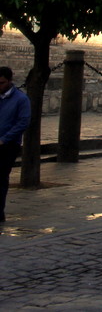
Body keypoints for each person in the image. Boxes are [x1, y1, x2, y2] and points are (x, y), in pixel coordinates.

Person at [0, 66, 31, 223]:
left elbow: (22, 122)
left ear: (9, 81)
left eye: (2, 83)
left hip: (8, 145)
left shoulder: (20, 99)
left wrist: (5, 138)